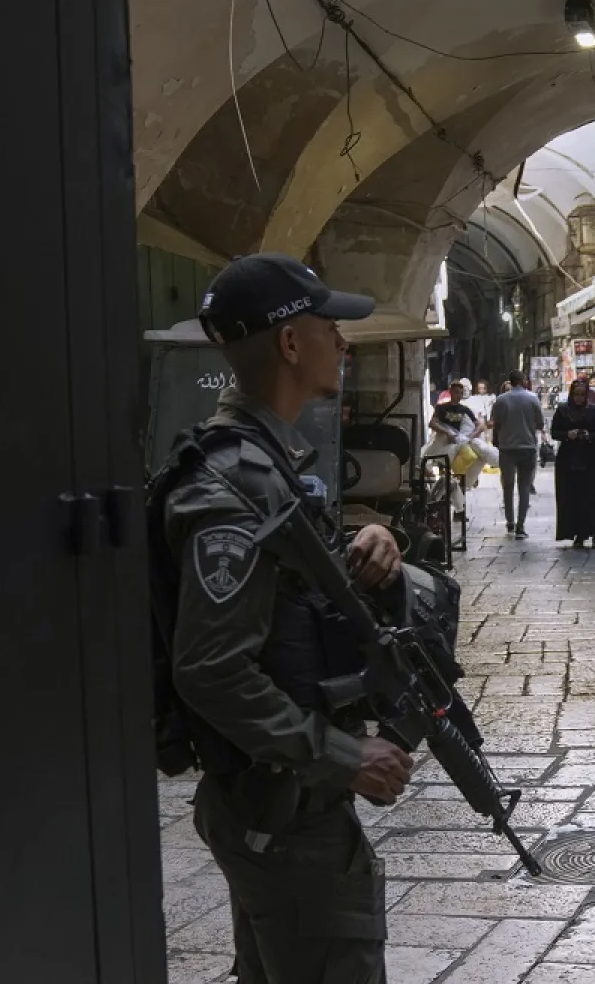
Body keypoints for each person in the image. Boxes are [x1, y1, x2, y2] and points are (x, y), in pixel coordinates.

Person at [155, 252, 414, 981]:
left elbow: (288, 602)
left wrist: (374, 540)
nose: (344, 340)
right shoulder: (229, 486)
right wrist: (343, 753)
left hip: (283, 804)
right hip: (281, 810)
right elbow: (209, 667)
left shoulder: (265, 464)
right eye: (329, 325)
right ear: (292, 344)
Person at [552, 380, 595, 548]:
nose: (579, 398)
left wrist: (589, 435)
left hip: (590, 459)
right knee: (573, 498)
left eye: (582, 394)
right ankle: (578, 533)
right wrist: (567, 434)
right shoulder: (563, 410)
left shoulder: (594, 411)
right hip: (568, 460)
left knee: (593, 497)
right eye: (576, 394)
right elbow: (555, 432)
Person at [489, 368, 544, 537]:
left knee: (507, 486)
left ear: (510, 382)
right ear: (524, 381)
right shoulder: (532, 398)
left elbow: (495, 423)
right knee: (524, 486)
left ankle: (510, 522)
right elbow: (540, 424)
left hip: (507, 448)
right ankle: (521, 525)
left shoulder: (501, 400)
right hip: (527, 447)